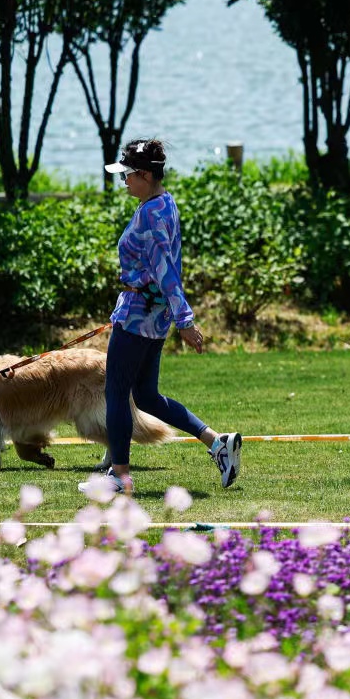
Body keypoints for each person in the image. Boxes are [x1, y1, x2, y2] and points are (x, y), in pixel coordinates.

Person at [80, 138, 241, 497]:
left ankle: (119, 474)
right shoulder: (164, 203)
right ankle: (218, 443)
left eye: (128, 176)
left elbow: (166, 271)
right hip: (153, 316)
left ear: (145, 175)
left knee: (117, 392)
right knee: (147, 396)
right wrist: (176, 316)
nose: (124, 182)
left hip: (139, 317)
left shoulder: (151, 214)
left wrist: (186, 321)